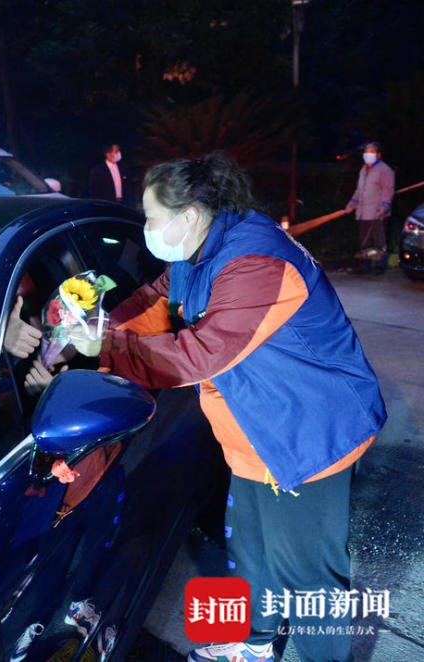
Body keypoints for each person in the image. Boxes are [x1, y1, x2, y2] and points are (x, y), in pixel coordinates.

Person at [84, 153, 386, 662]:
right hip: (255, 431)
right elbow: (156, 302)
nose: (146, 229)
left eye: (151, 218)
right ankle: (255, 644)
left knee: (307, 575)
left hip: (304, 434)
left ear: (188, 215)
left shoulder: (257, 263)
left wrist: (107, 348)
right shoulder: (200, 250)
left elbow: (199, 355)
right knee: (250, 550)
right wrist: (100, 326)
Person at [344, 142, 395, 261]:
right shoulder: (363, 169)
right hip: (363, 212)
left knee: (379, 243)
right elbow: (359, 190)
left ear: (378, 154)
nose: (368, 154)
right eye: (366, 152)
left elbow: (388, 191)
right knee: (364, 241)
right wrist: (352, 204)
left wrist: (384, 207)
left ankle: (379, 266)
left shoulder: (385, 170)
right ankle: (365, 265)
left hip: (377, 213)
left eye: (371, 152)